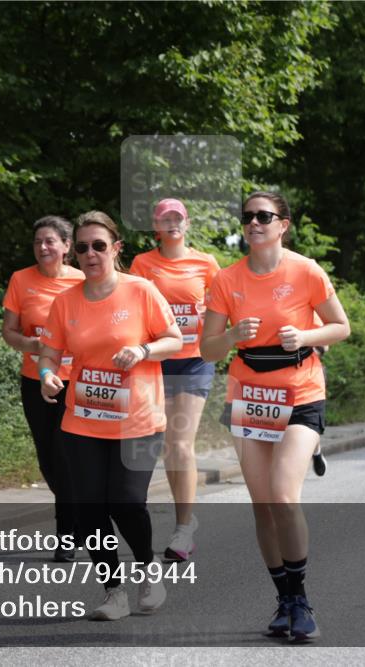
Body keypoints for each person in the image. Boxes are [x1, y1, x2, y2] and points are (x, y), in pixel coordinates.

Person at [200, 191, 350, 642]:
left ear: (283, 223)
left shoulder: (305, 270)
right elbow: (206, 349)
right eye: (247, 217)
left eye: (264, 216)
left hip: (301, 391)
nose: (254, 223)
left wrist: (304, 333)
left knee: (284, 496)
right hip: (250, 395)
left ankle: (301, 599)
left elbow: (341, 327)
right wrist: (230, 334)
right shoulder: (227, 280)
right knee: (263, 505)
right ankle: (282, 598)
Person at [38, 210, 183, 621]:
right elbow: (50, 353)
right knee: (89, 508)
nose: (89, 253)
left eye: (99, 245)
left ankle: (147, 567)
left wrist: (142, 351)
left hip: (137, 418)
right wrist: (49, 375)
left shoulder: (141, 291)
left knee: (125, 501)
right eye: (82, 247)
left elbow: (174, 339)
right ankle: (114, 591)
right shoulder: (65, 302)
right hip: (82, 417)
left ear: (116, 249)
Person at [130, 198, 220, 562]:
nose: (172, 224)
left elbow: (223, 307)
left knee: (180, 444)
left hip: (194, 361)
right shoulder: (143, 264)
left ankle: (183, 528)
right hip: (154, 362)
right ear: (155, 227)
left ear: (187, 223)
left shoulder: (206, 263)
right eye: (164, 219)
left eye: (177, 218)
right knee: (163, 445)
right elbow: (131, 310)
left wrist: (212, 320)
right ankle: (180, 519)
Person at [2, 216, 85, 561]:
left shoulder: (83, 280)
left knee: (67, 457)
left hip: (77, 379)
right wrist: (31, 344)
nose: (43, 247)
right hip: (35, 379)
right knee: (48, 459)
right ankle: (78, 508)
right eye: (38, 241)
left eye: (50, 241)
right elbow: (9, 332)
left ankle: (67, 535)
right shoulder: (21, 280)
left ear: (67, 246)